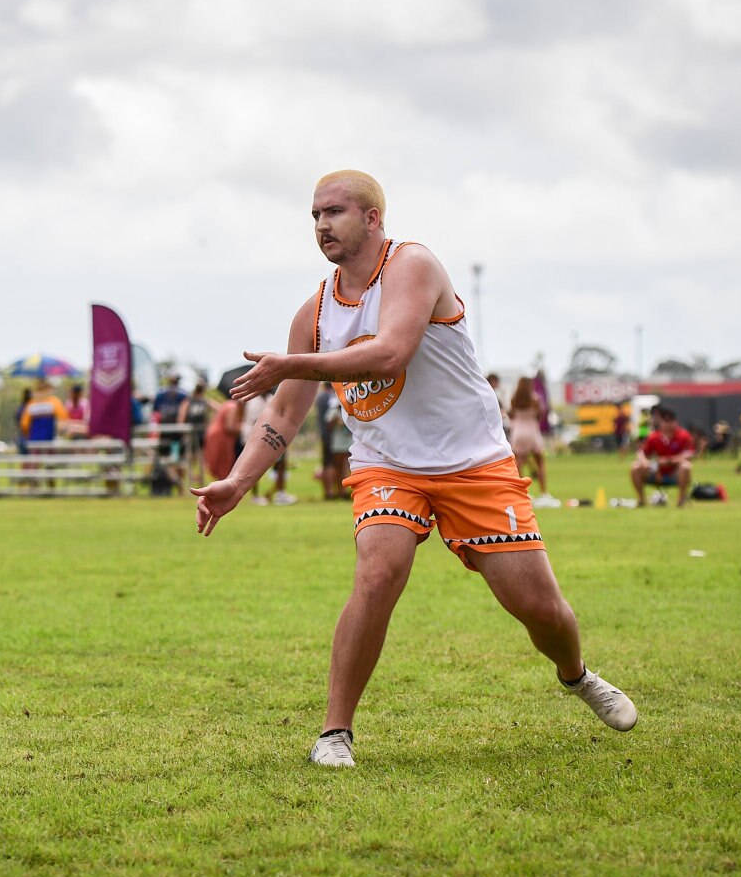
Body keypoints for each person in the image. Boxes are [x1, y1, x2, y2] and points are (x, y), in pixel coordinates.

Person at [192, 170, 635, 768]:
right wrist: (237, 482)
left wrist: (295, 363)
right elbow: (285, 414)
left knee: (538, 608)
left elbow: (392, 349)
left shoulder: (414, 266)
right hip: (387, 464)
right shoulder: (315, 314)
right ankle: (334, 733)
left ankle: (576, 674)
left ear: (373, 218)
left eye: (335, 212)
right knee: (379, 571)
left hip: (473, 462)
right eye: (315, 215)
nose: (322, 225)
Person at [629, 406, 694, 508]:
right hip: (657, 470)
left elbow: (689, 454)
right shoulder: (654, 436)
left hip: (675, 471)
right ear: (661, 422)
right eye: (666, 421)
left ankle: (681, 500)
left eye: (671, 421)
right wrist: (645, 462)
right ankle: (641, 500)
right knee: (635, 466)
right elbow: (641, 453)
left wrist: (670, 460)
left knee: (686, 466)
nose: (669, 424)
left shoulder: (683, 436)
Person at [509, 377, 558, 508]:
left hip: (518, 432)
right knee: (540, 462)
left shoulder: (514, 400)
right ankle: (544, 493)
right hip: (532, 432)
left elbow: (511, 415)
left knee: (519, 464)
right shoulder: (535, 399)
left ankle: (522, 493)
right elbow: (539, 415)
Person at [177, 380, 212, 485]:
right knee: (198, 460)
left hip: (192, 434)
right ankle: (196, 481)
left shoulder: (188, 401)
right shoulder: (204, 401)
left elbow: (181, 419)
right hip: (198, 434)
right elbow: (220, 408)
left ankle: (191, 481)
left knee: (191, 461)